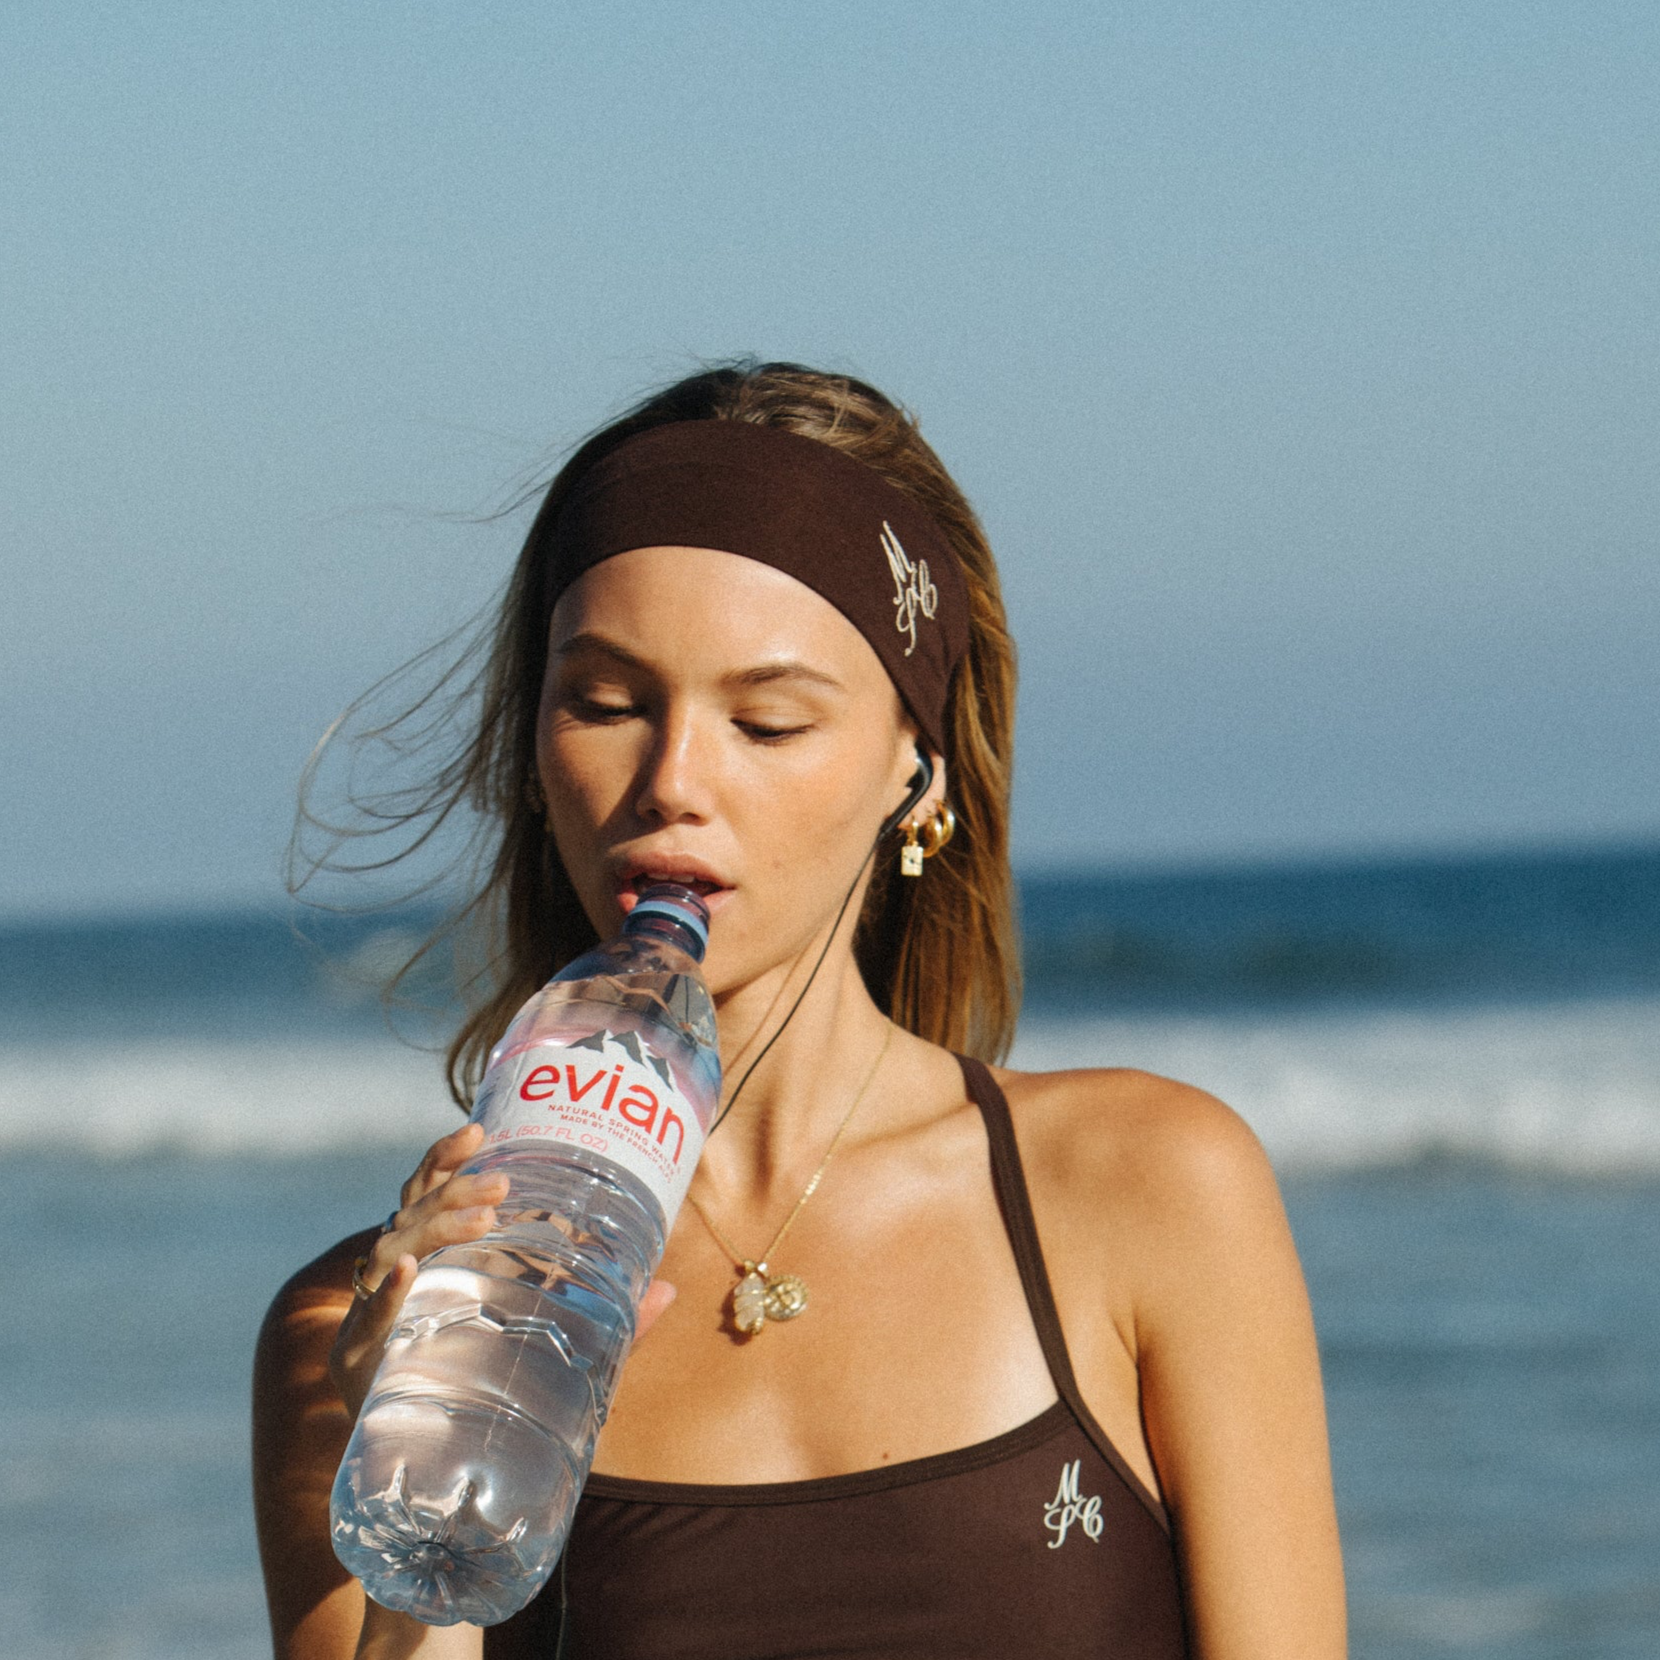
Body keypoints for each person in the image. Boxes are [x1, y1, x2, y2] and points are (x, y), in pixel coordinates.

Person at [253, 361, 1346, 1659]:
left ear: (917, 778)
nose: (672, 781)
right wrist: (418, 1535)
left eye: (767, 722)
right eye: (605, 704)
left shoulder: (1149, 1191)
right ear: (531, 752)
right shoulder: (369, 1324)